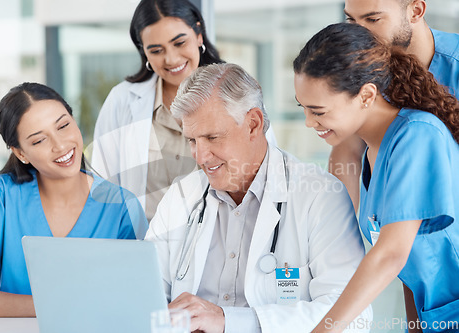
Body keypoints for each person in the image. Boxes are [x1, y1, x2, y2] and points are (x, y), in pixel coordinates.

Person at [145, 63, 372, 333]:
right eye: (193, 140)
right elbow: (144, 298)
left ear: (253, 124)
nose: (200, 157)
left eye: (212, 137)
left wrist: (229, 321)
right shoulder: (180, 198)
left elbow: (351, 317)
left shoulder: (320, 196)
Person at [293, 23, 459, 332]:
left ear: (366, 95)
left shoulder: (418, 137)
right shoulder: (370, 151)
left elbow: (391, 254)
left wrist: (324, 329)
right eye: (302, 108)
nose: (308, 122)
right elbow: (408, 266)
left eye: (318, 111)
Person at [0, 83, 148, 317]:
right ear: (21, 153)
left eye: (63, 126)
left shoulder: (121, 207)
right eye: (39, 141)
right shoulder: (2, 197)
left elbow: (140, 297)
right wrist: (55, 306)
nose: (60, 145)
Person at [92, 0, 277, 221]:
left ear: (198, 34)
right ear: (144, 52)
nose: (171, 59)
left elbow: (265, 170)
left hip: (222, 241)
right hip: (145, 245)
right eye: (156, 50)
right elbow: (103, 186)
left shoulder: (237, 92)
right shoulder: (122, 101)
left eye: (179, 43)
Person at [330, 0, 459, 211]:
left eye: (373, 19)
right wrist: (341, 228)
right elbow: (349, 151)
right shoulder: (364, 68)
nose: (359, 35)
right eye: (351, 20)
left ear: (415, 11)